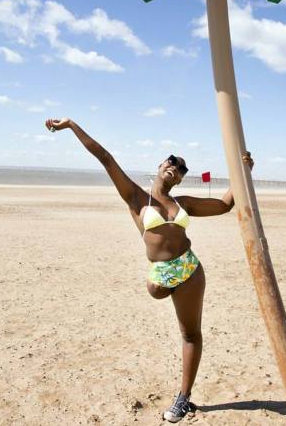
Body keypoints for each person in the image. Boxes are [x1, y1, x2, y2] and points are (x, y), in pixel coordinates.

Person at [44, 117, 254, 423]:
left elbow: (224, 205)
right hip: (161, 270)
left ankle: (184, 397)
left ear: (181, 179)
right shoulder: (135, 197)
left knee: (191, 334)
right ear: (159, 165)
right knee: (156, 289)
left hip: (189, 269)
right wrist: (71, 125)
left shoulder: (183, 203)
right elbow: (105, 157)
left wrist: (242, 173)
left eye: (181, 169)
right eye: (171, 161)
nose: (176, 167)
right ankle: (158, 284)